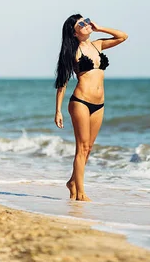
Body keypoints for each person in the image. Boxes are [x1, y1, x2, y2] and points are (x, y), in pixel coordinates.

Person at [53, 14, 128, 201]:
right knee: (81, 148)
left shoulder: (98, 44)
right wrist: (58, 111)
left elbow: (122, 36)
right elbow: (62, 84)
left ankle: (72, 182)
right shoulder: (71, 52)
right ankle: (80, 193)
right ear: (74, 31)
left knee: (89, 148)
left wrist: (100, 27)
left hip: (99, 103)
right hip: (80, 102)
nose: (86, 25)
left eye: (86, 21)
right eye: (82, 24)